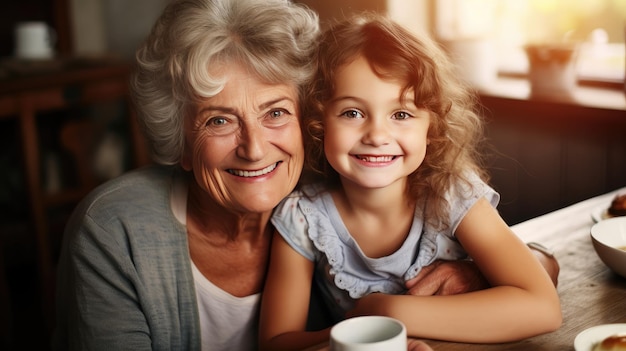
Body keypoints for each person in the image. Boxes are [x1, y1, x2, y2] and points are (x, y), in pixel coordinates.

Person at [51, 1, 511, 350]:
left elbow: (521, 262)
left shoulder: (333, 179)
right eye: (219, 120)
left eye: (275, 112)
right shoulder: (115, 231)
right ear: (180, 142)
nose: (254, 149)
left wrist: (474, 272)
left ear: (307, 121)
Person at [258, 14, 562, 351]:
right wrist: (360, 330)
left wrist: (388, 310)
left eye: (401, 115)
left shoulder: (450, 194)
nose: (376, 135)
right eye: (352, 113)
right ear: (318, 121)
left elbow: (542, 309)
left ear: (430, 128)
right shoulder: (302, 217)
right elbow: (276, 343)